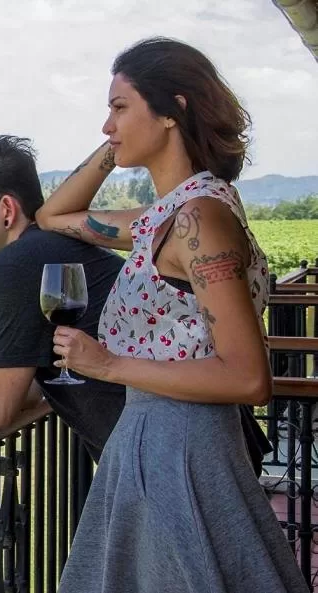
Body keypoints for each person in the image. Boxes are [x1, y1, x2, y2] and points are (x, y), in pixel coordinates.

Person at [36, 37, 305, 592]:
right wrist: (121, 141)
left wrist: (107, 365)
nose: (106, 125)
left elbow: (248, 378)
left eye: (118, 107)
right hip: (157, 443)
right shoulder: (164, 219)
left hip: (181, 451)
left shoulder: (197, 222)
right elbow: (53, 216)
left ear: (171, 110)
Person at [0, 129, 267, 473]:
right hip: (204, 445)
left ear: (6, 210)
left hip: (172, 460)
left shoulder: (19, 262)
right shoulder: (51, 248)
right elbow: (23, 390)